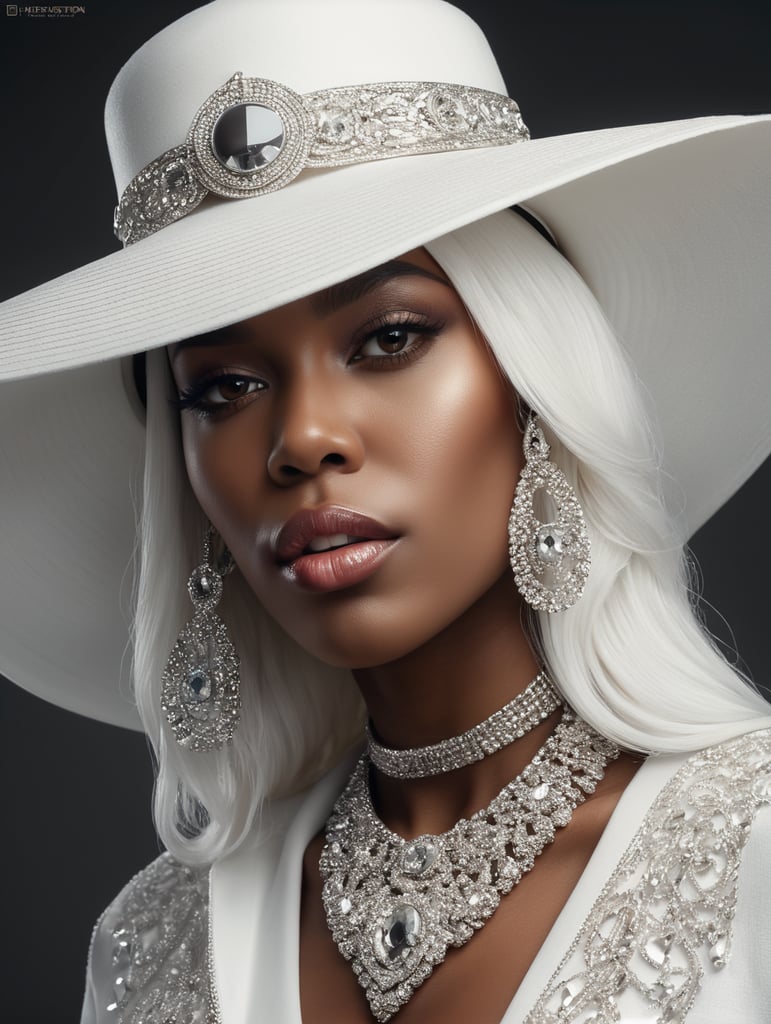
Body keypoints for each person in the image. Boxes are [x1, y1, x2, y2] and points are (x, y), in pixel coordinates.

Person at [1, 0, 770, 1021]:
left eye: (391, 338)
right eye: (223, 388)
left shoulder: (754, 854)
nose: (304, 438)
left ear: (533, 381)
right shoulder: (157, 945)